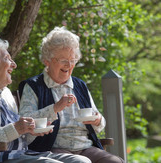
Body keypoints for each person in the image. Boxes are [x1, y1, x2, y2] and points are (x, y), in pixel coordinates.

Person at [0, 35, 91, 163]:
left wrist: (31, 130)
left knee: (81, 161)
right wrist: (15, 129)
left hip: (20, 155)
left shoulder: (5, 94)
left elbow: (18, 137)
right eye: (7, 58)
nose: (14, 64)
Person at [18, 27, 125, 163]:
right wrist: (55, 108)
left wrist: (97, 120)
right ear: (47, 60)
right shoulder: (33, 86)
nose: (69, 65)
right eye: (63, 60)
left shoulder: (79, 85)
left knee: (114, 162)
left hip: (86, 147)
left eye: (73, 60)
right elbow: (25, 124)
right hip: (52, 149)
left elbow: (99, 121)